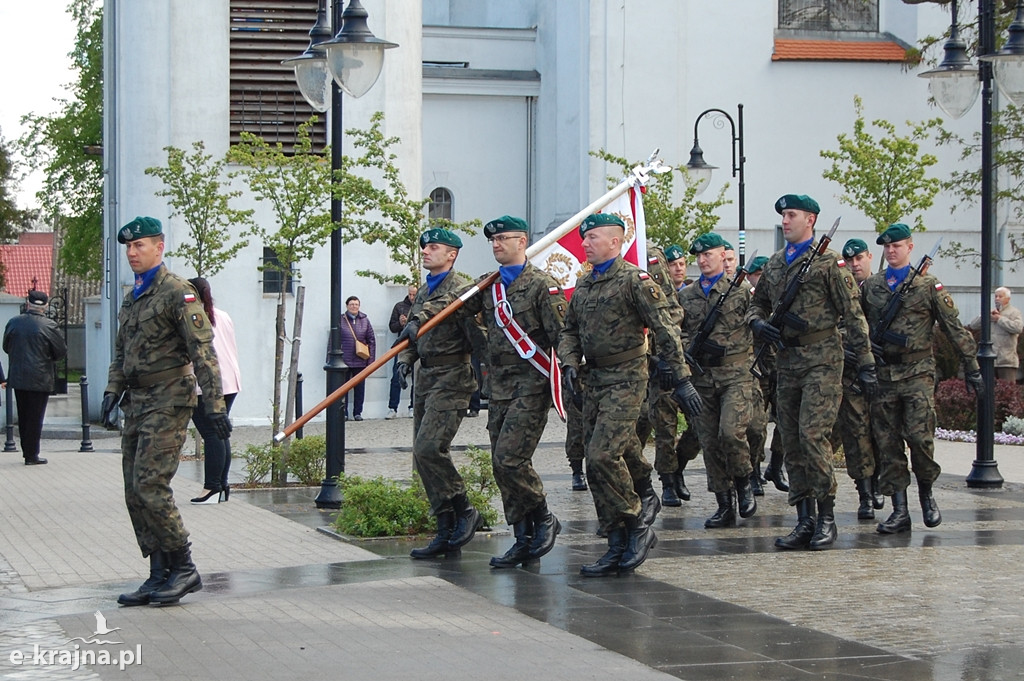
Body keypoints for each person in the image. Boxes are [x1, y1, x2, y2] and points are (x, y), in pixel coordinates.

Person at [558, 213, 702, 577]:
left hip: (627, 376)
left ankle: (636, 523)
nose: (586, 243)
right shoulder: (586, 284)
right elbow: (569, 331)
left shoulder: (635, 280)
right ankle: (616, 540)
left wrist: (681, 379)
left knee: (603, 455)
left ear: (615, 242)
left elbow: (665, 329)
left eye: (593, 237)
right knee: (598, 463)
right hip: (594, 379)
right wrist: (570, 364)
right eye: (584, 237)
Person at [103, 216, 231, 606]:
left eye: (139, 246)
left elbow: (203, 351)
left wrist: (215, 404)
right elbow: (122, 352)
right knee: (133, 490)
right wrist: (112, 390)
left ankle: (185, 567)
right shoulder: (133, 297)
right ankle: (159, 572)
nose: (131, 253)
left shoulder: (179, 292)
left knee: (151, 485)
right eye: (128, 247)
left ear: (159, 247)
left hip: (169, 397)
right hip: (138, 401)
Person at [748, 195, 876, 551]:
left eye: (792, 215)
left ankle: (826, 516)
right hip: (787, 362)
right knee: (790, 439)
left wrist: (865, 364)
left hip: (822, 360)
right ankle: (803, 518)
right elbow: (757, 303)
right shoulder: (775, 264)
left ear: (811, 219)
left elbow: (853, 315)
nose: (785, 221)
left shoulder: (828, 264)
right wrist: (759, 323)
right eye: (783, 216)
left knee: (812, 436)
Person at [862, 223, 983, 533]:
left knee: (920, 439)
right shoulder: (872, 287)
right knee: (888, 445)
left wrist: (972, 365)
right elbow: (855, 324)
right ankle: (899, 510)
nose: (891, 251)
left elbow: (954, 327)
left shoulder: (928, 286)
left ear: (910, 247)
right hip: (884, 375)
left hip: (917, 374)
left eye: (897, 246)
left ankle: (927, 495)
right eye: (887, 247)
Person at [460, 216, 566, 568]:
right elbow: (455, 306)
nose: (496, 245)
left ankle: (545, 516)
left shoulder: (541, 285)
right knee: (500, 464)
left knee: (511, 458)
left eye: (503, 239)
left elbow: (560, 335)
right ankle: (523, 535)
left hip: (532, 385)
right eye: (492, 240)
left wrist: (570, 376)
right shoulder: (489, 286)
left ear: (522, 242)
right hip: (500, 388)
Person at [395, 228, 483, 558]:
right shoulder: (425, 289)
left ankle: (464, 508)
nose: (426, 251)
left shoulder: (460, 289)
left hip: (452, 376)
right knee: (421, 456)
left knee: (430, 447)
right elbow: (413, 335)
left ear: (452, 254)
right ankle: (445, 526)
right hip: (426, 376)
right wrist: (405, 360)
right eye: (425, 247)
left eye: (434, 247)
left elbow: (476, 334)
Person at [679, 233, 760, 528]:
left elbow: (755, 318)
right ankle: (724, 503)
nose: (702, 260)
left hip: (735, 376)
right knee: (709, 442)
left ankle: (744, 482)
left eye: (708, 254)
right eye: (699, 256)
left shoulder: (739, 291)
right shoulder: (687, 295)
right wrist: (688, 348)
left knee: (730, 433)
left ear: (723, 255)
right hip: (703, 377)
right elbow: (679, 329)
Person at [832, 239, 885, 519]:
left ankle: (878, 484)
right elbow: (828, 326)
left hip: (882, 374)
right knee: (856, 436)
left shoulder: (881, 290)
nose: (855, 266)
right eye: (849, 261)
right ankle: (864, 494)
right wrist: (845, 348)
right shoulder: (840, 291)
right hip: (850, 375)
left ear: (869, 258)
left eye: (859, 259)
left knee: (881, 432)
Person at [187, 278, 241, 505]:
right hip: (230, 380)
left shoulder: (193, 318)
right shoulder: (223, 315)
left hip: (206, 383)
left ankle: (212, 487)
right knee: (220, 432)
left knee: (210, 434)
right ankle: (222, 485)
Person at [2, 290, 67, 466]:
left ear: (28, 303)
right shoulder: (49, 326)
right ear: (45, 306)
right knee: (35, 417)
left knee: (23, 416)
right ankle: (32, 455)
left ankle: (27, 451)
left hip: (19, 376)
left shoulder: (14, 323)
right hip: (40, 377)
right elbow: (60, 352)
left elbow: (6, 346)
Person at [967, 287, 1022, 383]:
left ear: (1008, 299)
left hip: (1006, 361)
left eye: (1000, 296)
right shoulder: (991, 313)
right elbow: (973, 325)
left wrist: (999, 319)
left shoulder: (1014, 312)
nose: (997, 299)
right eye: (996, 296)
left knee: (1006, 389)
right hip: (989, 360)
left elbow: (1017, 328)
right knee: (988, 389)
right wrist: (985, 315)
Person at [338, 296, 375, 421]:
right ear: (347, 306)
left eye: (356, 304)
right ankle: (344, 412)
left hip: (360, 360)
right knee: (344, 388)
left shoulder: (365, 320)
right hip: (345, 359)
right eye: (351, 304)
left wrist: (371, 361)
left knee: (360, 389)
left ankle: (357, 412)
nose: (354, 306)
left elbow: (371, 340)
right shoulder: (341, 320)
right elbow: (333, 339)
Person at [386, 285, 417, 418]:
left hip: (417, 344)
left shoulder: (422, 306)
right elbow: (392, 327)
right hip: (402, 345)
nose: (411, 297)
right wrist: (400, 323)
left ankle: (413, 406)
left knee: (417, 378)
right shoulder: (399, 306)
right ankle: (393, 408)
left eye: (414, 295)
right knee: (396, 377)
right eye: (410, 294)